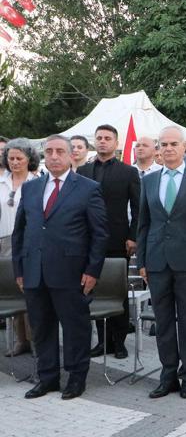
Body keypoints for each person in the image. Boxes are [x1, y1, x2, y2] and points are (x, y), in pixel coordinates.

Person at [13, 134, 109, 400]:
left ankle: (76, 379)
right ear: (44, 154)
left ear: (70, 156)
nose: (54, 156)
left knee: (75, 328)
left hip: (72, 273)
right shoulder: (32, 188)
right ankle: (47, 378)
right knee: (41, 329)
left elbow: (99, 234)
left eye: (59, 151)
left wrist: (92, 271)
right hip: (34, 272)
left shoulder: (88, 188)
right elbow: (20, 232)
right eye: (49, 151)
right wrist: (19, 270)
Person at [136, 126, 186, 399]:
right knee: (164, 320)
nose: (168, 148)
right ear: (158, 149)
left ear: (185, 147)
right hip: (157, 261)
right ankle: (168, 374)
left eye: (174, 144)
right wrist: (142, 261)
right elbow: (143, 225)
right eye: (164, 144)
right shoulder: (148, 181)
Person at [77, 125, 140, 360]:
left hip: (118, 241)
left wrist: (133, 236)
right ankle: (102, 341)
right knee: (92, 290)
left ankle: (119, 341)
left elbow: (138, 207)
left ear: (116, 143)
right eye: (99, 138)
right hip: (88, 241)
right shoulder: (82, 171)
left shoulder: (128, 172)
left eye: (107, 138)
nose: (102, 141)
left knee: (117, 291)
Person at [0, 138, 39, 356]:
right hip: (4, 241)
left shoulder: (37, 182)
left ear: (29, 159)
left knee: (31, 292)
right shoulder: (1, 182)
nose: (14, 162)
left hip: (29, 242)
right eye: (10, 158)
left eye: (18, 158)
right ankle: (20, 340)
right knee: (12, 291)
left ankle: (35, 339)